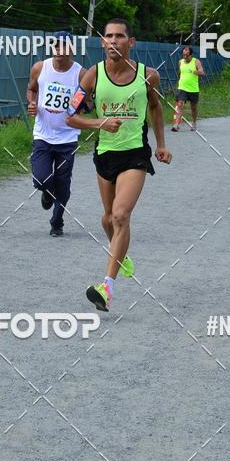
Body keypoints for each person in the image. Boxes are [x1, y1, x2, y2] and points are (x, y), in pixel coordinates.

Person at [65, 18, 172, 311]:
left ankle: (107, 287)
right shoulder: (91, 76)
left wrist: (161, 145)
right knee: (107, 219)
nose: (113, 41)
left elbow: (155, 106)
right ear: (102, 42)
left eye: (119, 36)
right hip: (105, 153)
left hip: (135, 154)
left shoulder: (148, 76)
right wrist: (100, 122)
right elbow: (70, 117)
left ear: (131, 42)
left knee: (121, 215)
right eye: (108, 36)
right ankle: (121, 255)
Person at [27, 32, 85, 235]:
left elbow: (86, 100)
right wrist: (32, 102)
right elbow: (32, 88)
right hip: (43, 134)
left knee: (63, 182)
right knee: (41, 178)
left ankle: (57, 222)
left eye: (64, 46)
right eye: (56, 45)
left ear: (72, 49)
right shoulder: (40, 67)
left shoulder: (80, 74)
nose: (59, 50)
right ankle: (46, 192)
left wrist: (82, 106)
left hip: (68, 137)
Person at [171, 45, 205, 131]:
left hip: (193, 89)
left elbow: (202, 73)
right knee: (180, 104)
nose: (184, 54)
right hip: (182, 87)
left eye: (186, 52)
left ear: (190, 53)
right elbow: (181, 73)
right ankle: (176, 124)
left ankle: (194, 123)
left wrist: (194, 71)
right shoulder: (180, 62)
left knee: (193, 107)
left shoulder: (196, 61)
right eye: (184, 53)